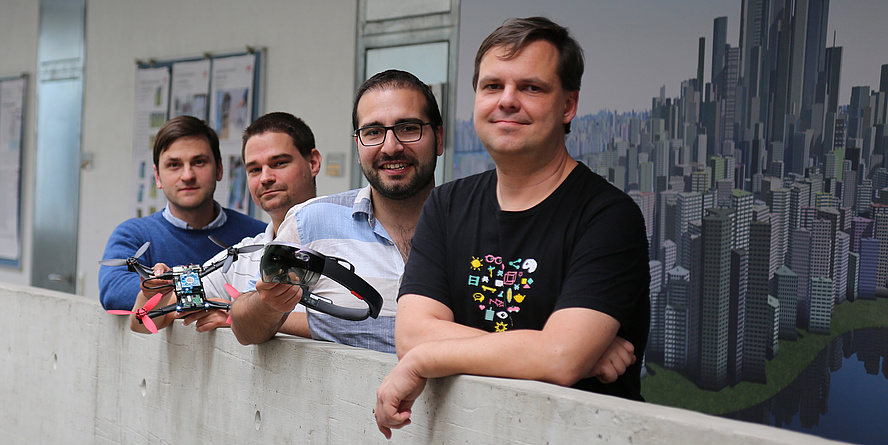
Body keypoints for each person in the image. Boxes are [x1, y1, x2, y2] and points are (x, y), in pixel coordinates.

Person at [375, 17, 650, 438]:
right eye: (492, 86)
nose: (507, 100)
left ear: (568, 106)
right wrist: (552, 350)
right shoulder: (446, 206)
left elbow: (558, 357)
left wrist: (429, 359)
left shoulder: (607, 216)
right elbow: (412, 335)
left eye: (531, 87)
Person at [229, 69, 444, 353]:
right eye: (373, 132)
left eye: (408, 128)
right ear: (358, 145)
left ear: (439, 138)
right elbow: (246, 330)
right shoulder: (310, 222)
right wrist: (268, 304)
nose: (390, 147)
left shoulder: (472, 223)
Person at [127, 112, 322, 334]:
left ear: (313, 162)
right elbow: (142, 322)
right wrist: (153, 293)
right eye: (254, 169)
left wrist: (238, 316)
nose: (266, 177)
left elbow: (356, 328)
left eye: (279, 163)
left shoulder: (353, 240)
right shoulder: (241, 257)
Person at [99, 116, 267, 312]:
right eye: (174, 165)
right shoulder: (133, 235)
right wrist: (220, 300)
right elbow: (115, 292)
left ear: (219, 169)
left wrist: (165, 288)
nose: (187, 175)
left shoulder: (257, 236)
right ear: (157, 176)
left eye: (199, 162)